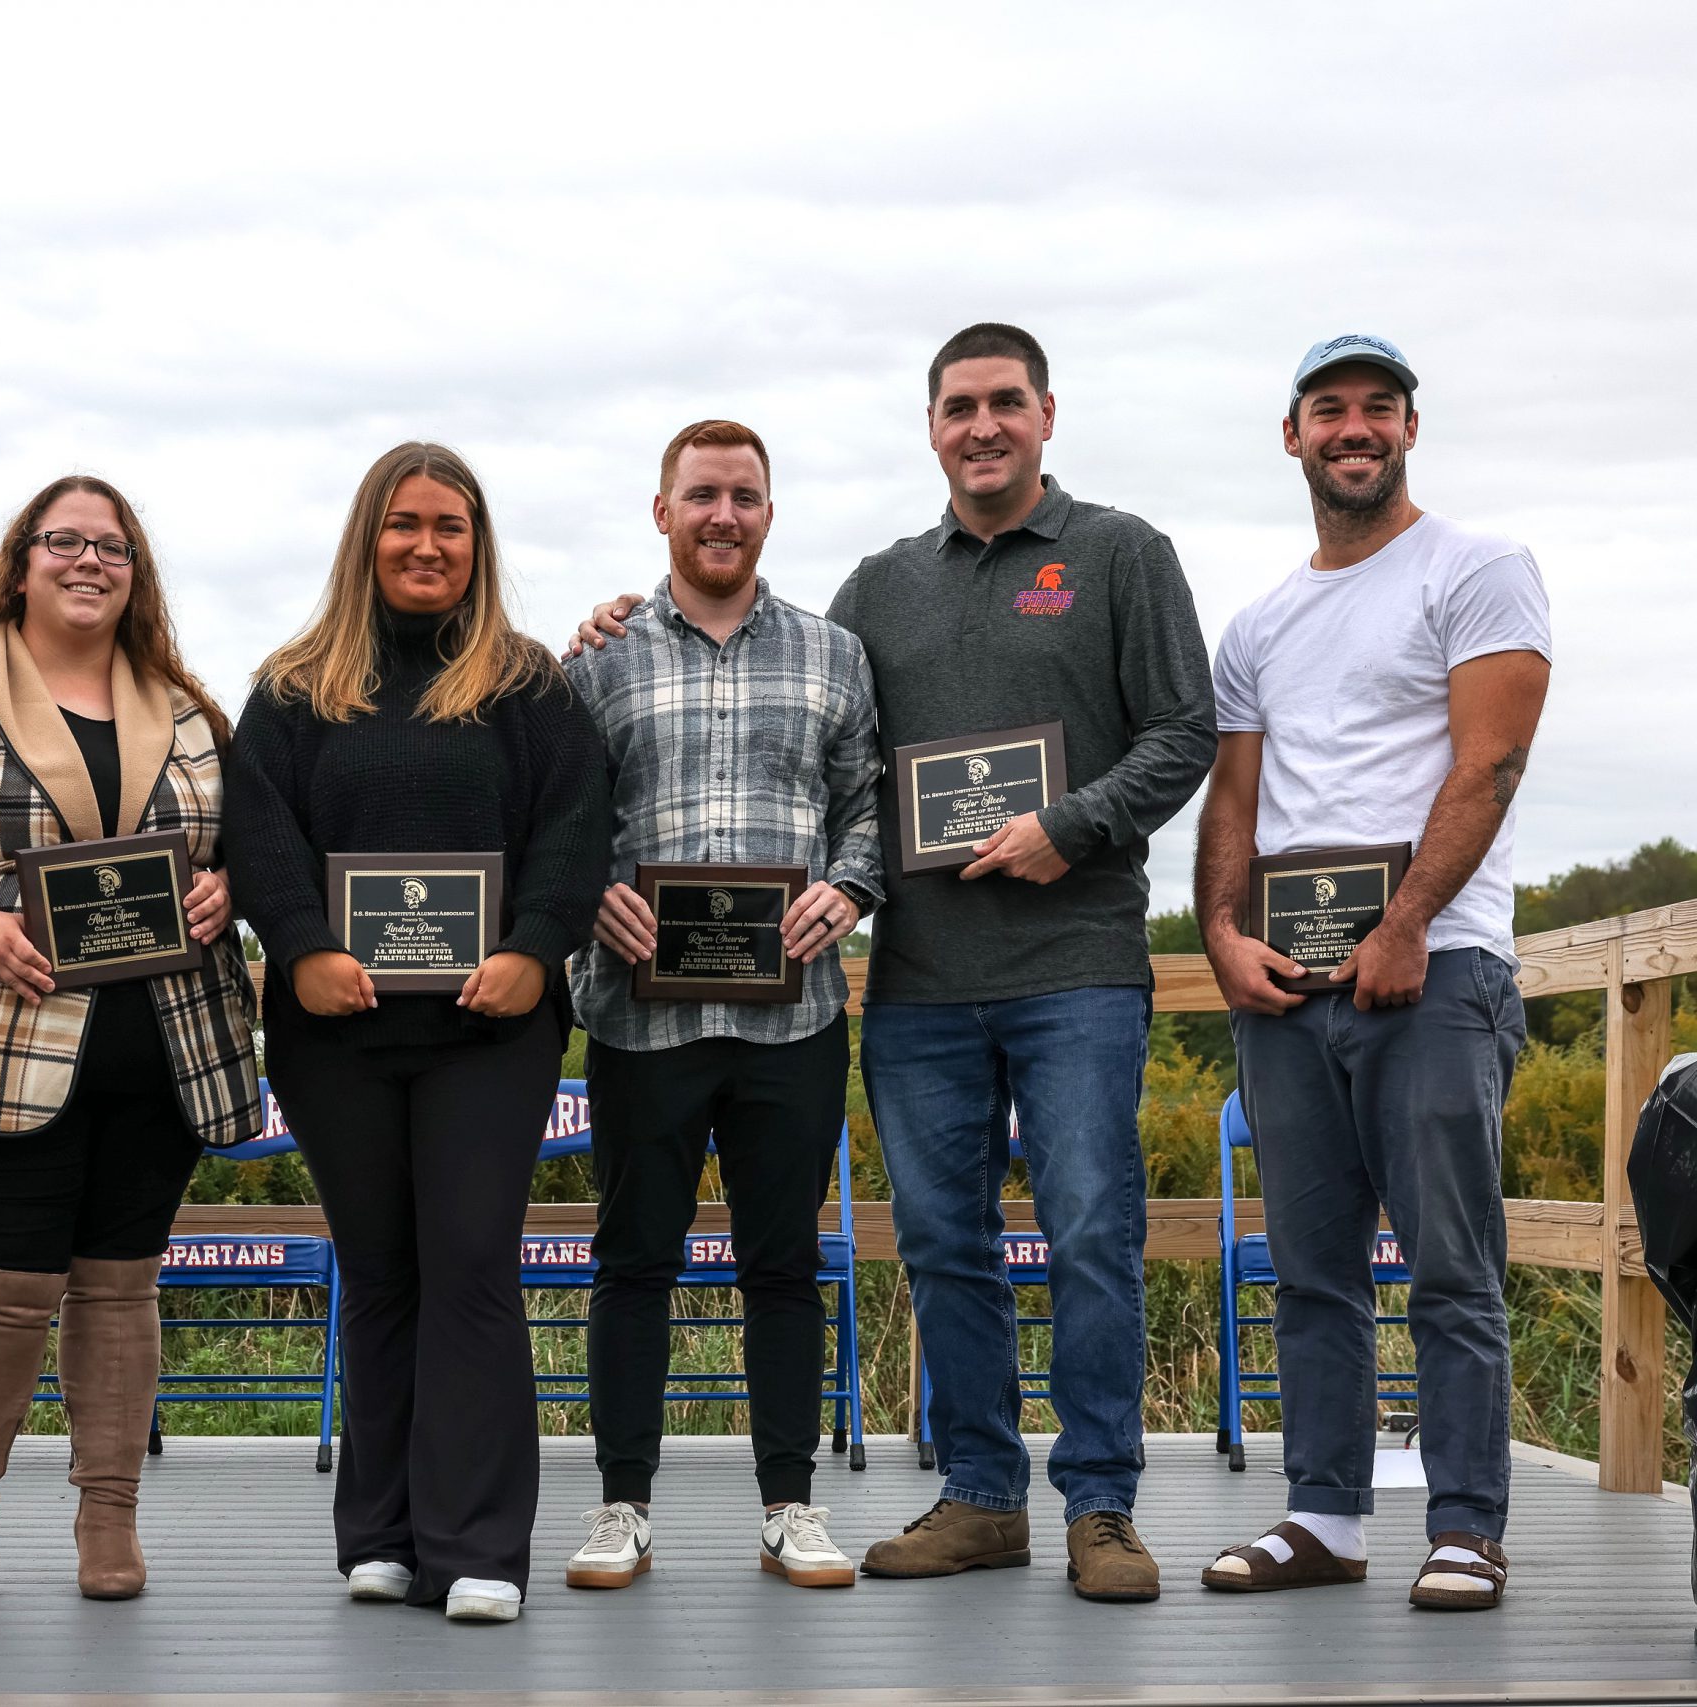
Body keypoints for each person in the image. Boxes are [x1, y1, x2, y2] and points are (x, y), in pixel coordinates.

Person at [579, 325, 1216, 1602]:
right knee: (941, 1242)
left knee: (1091, 1226)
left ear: (1045, 415)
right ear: (930, 427)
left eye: (1004, 404)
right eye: (957, 408)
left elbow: (1184, 730)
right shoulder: (875, 592)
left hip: (1077, 962)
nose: (981, 427)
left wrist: (1069, 827)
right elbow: (852, 774)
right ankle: (982, 1495)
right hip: (920, 983)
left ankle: (1100, 1506)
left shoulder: (1120, 555)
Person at [0, 476, 257, 1608]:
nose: (89, 561)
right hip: (2, 1034)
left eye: (111, 546)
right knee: (4, 1287)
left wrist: (225, 890)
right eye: (64, 542)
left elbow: (238, 844)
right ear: (21, 560)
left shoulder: (183, 703)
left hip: (166, 1043)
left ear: (138, 570)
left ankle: (107, 1520)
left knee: (124, 1290)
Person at [1195, 335, 1550, 1610]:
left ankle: (1464, 1526)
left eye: (1377, 408)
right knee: (1313, 1271)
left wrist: (1405, 926)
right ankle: (1324, 1518)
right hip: (1290, 987)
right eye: (1328, 408)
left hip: (1437, 970)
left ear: (1408, 430)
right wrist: (1220, 937)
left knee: (1449, 1264)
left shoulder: (1477, 569)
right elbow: (1233, 801)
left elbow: (1488, 764)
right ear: (1292, 436)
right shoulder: (1258, 625)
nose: (1354, 427)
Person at [226, 441, 609, 1624]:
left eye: (451, 526)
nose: (427, 545)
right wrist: (301, 947)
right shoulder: (293, 687)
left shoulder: (528, 686)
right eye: (405, 524)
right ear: (368, 538)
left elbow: (576, 827)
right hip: (335, 1032)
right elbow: (258, 831)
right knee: (381, 1272)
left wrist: (533, 949)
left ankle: (479, 1544)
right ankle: (383, 1536)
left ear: (478, 545)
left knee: (472, 1265)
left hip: (489, 1033)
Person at [559, 420, 884, 1594]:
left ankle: (790, 1505)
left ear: (767, 513)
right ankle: (620, 1507)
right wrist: (590, 890)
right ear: (662, 511)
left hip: (789, 1017)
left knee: (782, 1265)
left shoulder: (834, 654)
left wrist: (848, 888)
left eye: (744, 496)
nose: (722, 515)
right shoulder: (591, 662)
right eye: (701, 494)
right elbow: (558, 817)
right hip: (638, 1019)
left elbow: (869, 802)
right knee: (631, 1260)